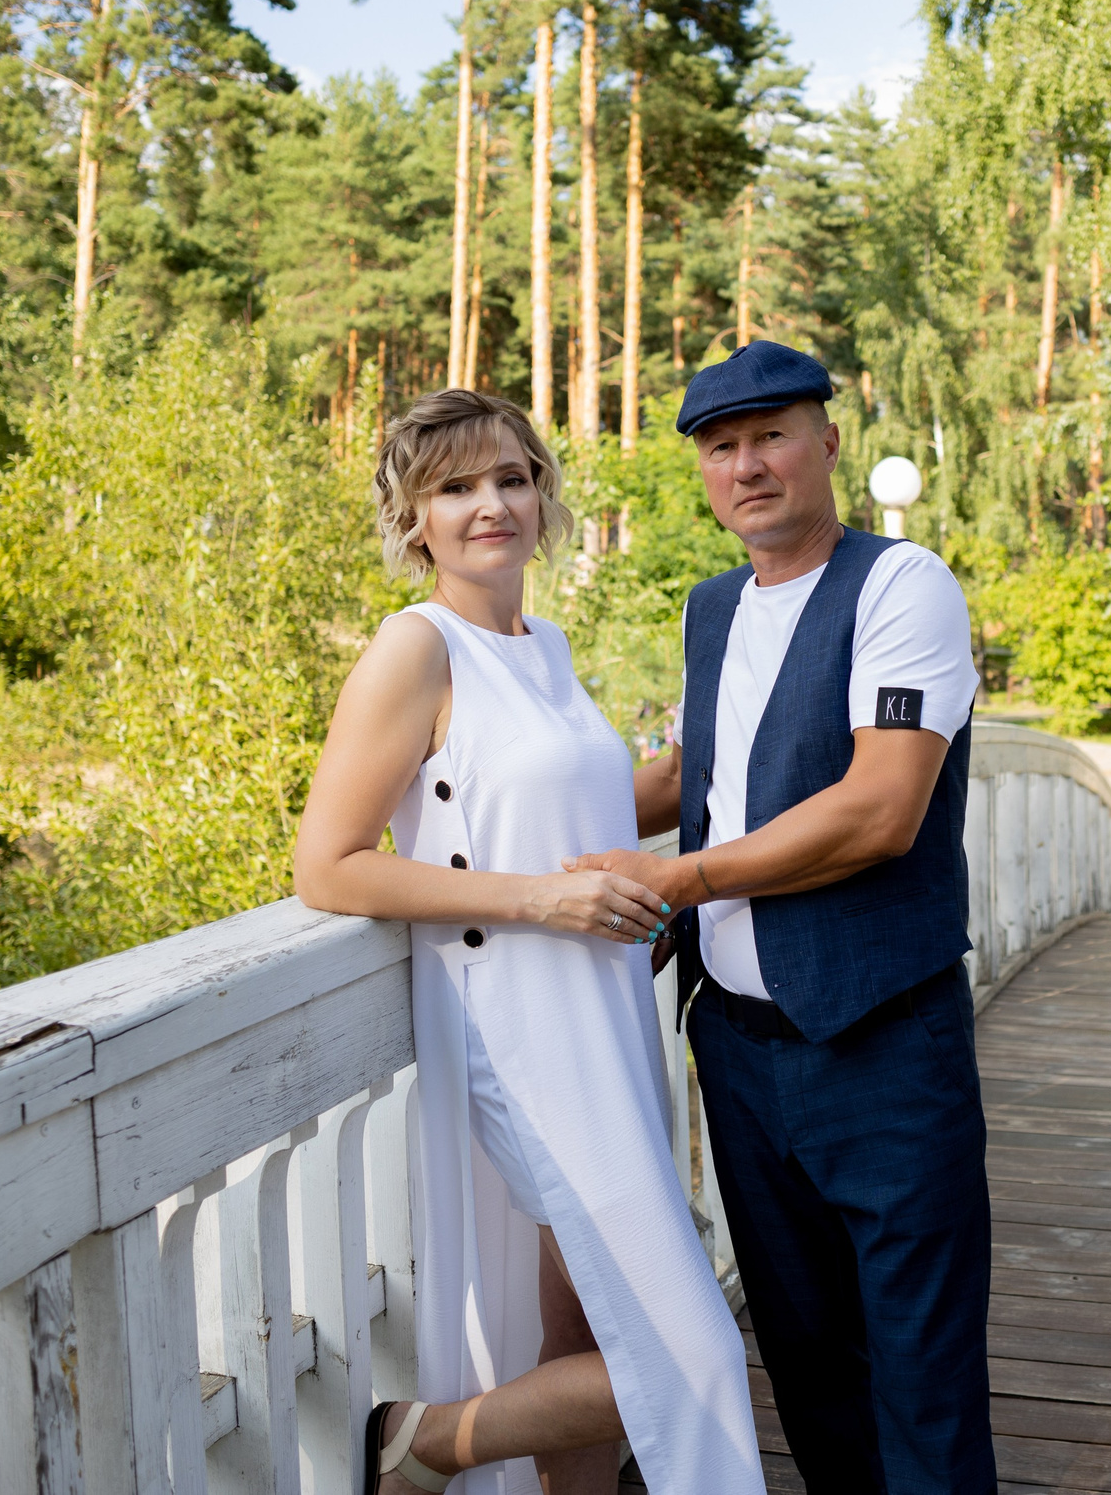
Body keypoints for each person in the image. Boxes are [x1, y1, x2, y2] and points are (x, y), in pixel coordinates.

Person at [293, 390, 764, 1495]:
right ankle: (423, 1440)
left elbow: (593, 809)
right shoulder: (416, 650)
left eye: (511, 478)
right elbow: (328, 865)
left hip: (604, 1026)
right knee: (687, 1353)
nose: (491, 504)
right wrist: (538, 904)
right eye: (455, 488)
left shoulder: (542, 647)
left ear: (543, 495)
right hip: (522, 1037)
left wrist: (748, 748)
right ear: (414, 521)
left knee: (585, 1335)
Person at [574, 342, 995, 1494]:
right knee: (808, 1364)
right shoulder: (713, 609)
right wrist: (520, 832)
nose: (748, 465)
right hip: (742, 1050)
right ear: (704, 475)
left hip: (880, 1041)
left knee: (920, 1366)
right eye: (722, 449)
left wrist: (679, 880)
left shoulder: (901, 586)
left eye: (771, 436)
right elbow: (690, 776)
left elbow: (878, 811)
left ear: (827, 443)